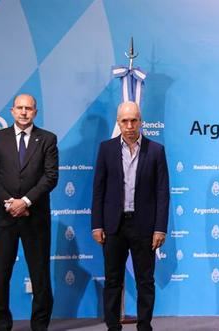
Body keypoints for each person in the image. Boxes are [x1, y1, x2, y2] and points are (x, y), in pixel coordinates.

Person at [91, 101, 170, 331]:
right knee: (113, 280)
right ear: (118, 122)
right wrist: (97, 224)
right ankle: (113, 327)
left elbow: (162, 192)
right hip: (113, 225)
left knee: (146, 281)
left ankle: (144, 326)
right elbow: (98, 189)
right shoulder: (106, 149)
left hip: (144, 226)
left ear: (141, 121)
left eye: (134, 120)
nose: (129, 125)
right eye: (124, 121)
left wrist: (160, 228)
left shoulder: (156, 150)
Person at [0, 94, 58, 331]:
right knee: (0, 275)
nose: (24, 112)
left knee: (40, 276)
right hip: (4, 218)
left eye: (29, 108)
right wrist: (9, 202)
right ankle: (2, 325)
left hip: (35, 218)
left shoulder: (47, 139)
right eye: (20, 108)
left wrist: (25, 202)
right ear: (12, 111)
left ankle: (39, 325)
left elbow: (50, 177)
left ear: (35, 112)